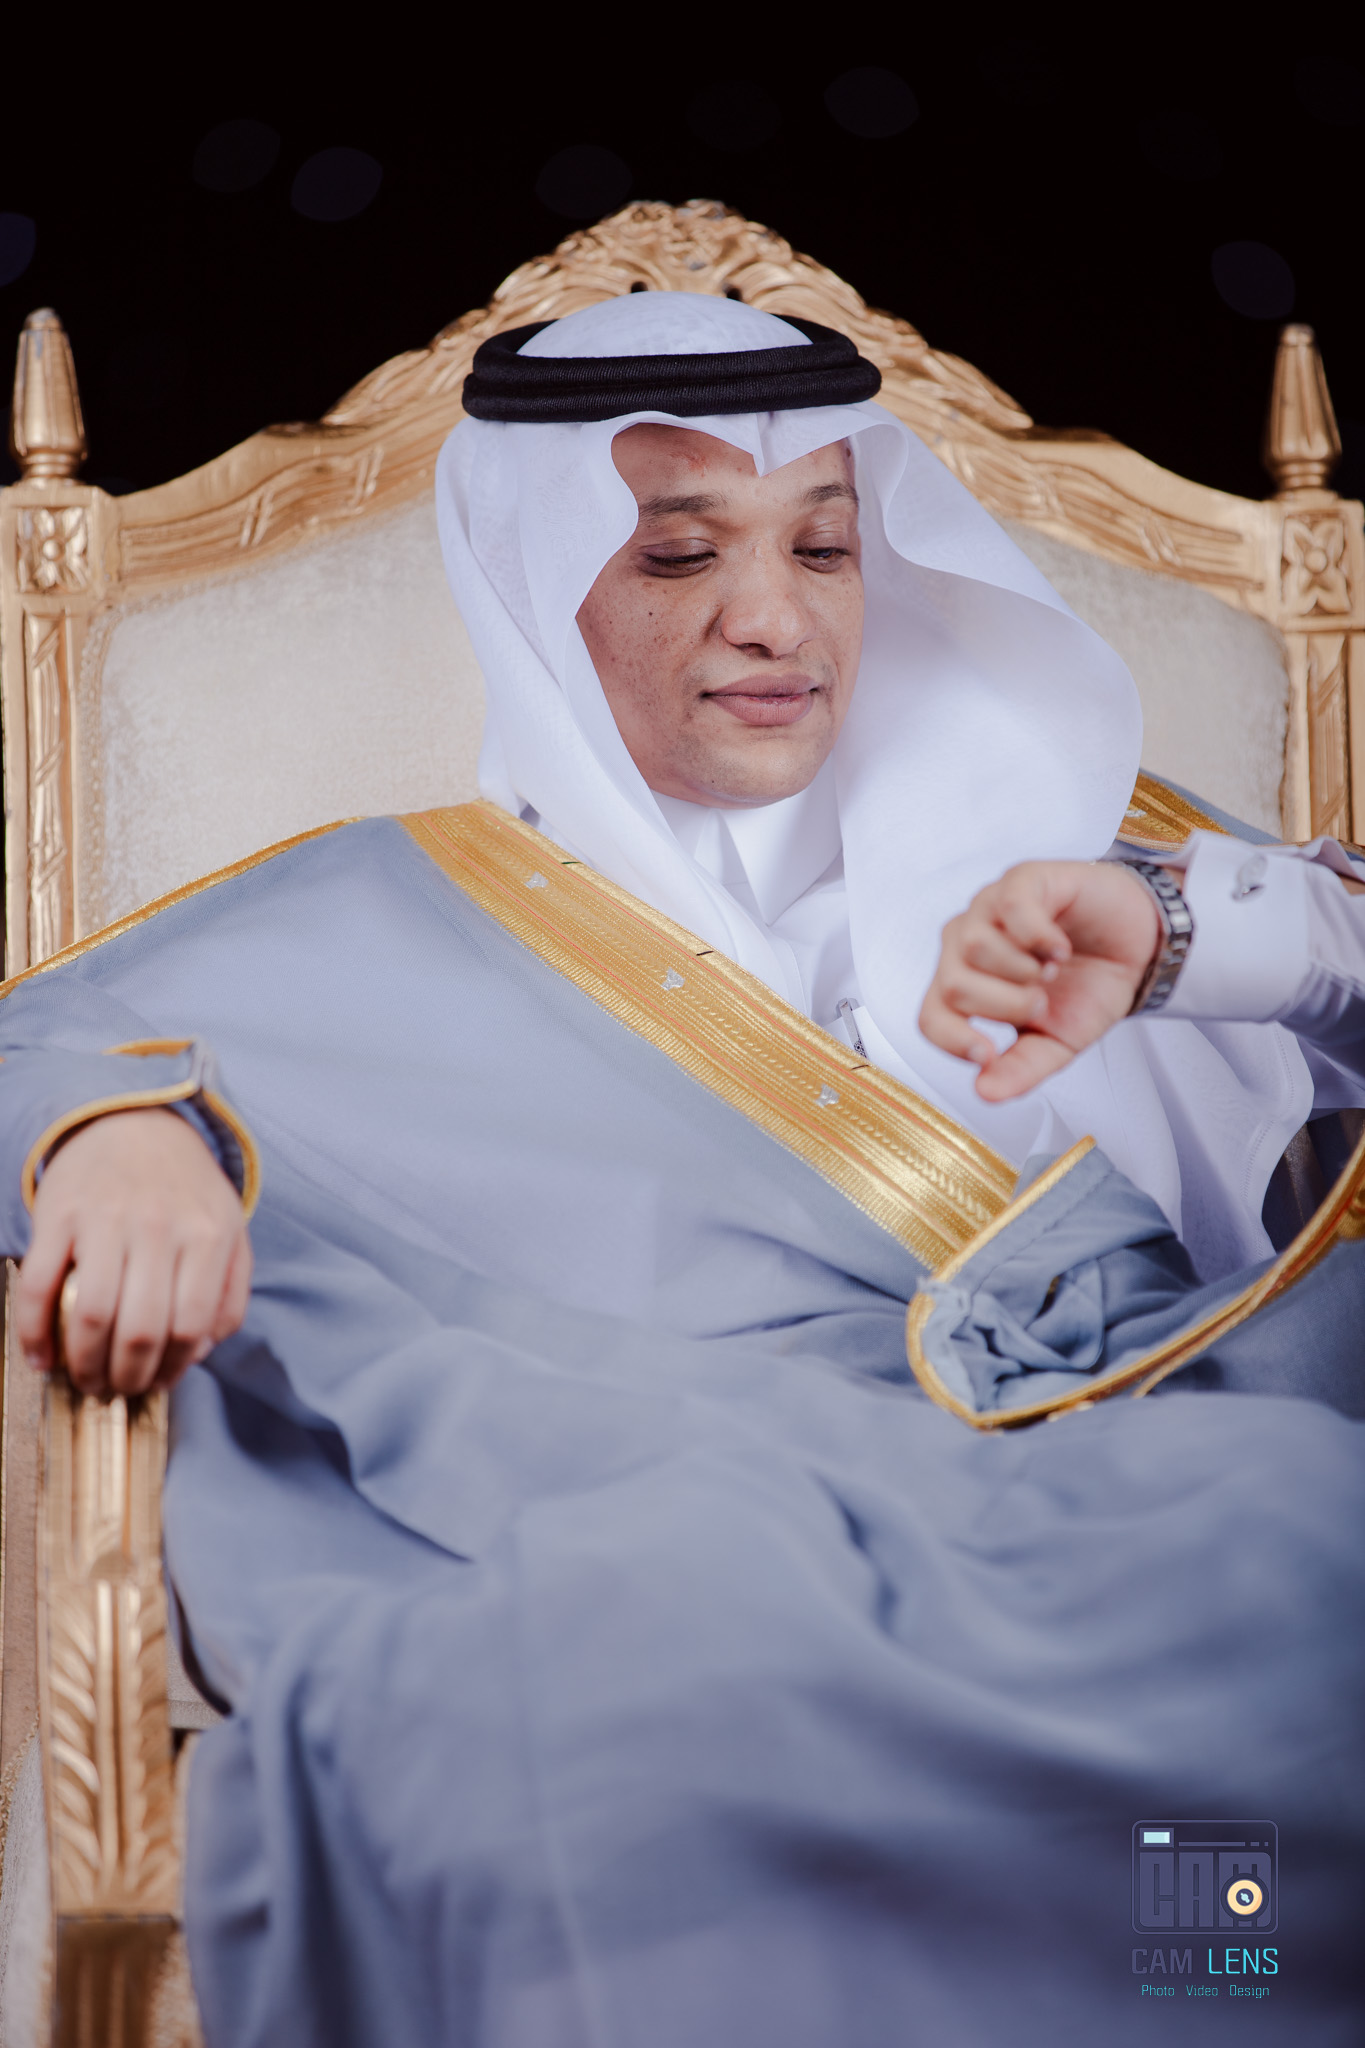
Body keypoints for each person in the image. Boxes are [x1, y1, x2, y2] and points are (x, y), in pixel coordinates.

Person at [1, 292, 1362, 2045]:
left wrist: (1184, 940)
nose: (774, 617)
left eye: (823, 546)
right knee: (665, 1677)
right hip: (696, 1527)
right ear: (535, 581)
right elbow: (46, 1041)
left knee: (1289, 1573)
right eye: (676, 555)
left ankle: (1207, 1970)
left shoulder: (1098, 843)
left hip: (1163, 1483)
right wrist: (111, 1134)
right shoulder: (373, 914)